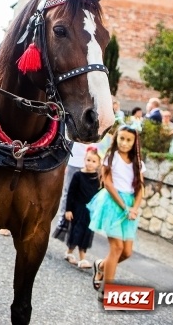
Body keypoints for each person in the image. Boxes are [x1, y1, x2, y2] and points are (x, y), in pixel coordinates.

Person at [88, 125, 144, 293]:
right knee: (117, 248)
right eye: (122, 138)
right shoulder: (110, 158)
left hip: (130, 206)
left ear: (134, 142)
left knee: (127, 252)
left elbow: (140, 187)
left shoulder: (138, 163)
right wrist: (124, 206)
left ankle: (101, 265)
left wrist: (134, 208)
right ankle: (108, 290)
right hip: (113, 203)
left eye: (129, 140)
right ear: (116, 138)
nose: (124, 143)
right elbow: (108, 183)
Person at [54, 146, 101, 269]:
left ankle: (78, 256)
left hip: (90, 212)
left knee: (87, 233)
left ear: (99, 164)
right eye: (88, 160)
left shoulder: (98, 179)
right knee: (76, 232)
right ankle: (74, 254)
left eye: (94, 161)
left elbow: (99, 196)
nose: (90, 163)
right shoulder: (78, 175)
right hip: (77, 209)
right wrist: (68, 210)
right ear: (84, 160)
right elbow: (70, 193)